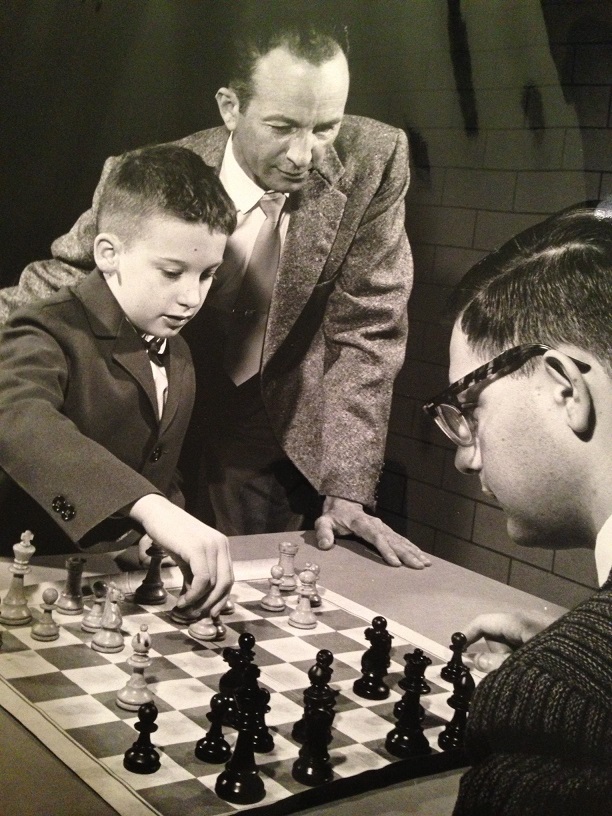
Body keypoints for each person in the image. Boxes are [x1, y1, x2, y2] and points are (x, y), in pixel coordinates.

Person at [0, 23, 430, 570]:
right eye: (282, 126)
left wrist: (346, 483)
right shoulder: (154, 173)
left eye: (326, 127)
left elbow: (368, 327)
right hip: (146, 402)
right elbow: (67, 273)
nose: (306, 154)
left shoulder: (376, 159)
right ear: (231, 107)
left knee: (242, 589)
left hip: (268, 417)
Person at [423, 202, 612, 815]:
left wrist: (572, 668)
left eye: (470, 409)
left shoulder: (560, 711)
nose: (466, 459)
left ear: (565, 389)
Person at [0, 144, 237, 618]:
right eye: (172, 272)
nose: (191, 297)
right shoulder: (44, 328)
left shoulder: (179, 349)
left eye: (208, 274)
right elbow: (20, 424)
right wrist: (148, 507)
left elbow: (160, 464)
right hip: (26, 576)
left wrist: (157, 527)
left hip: (110, 588)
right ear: (108, 254)